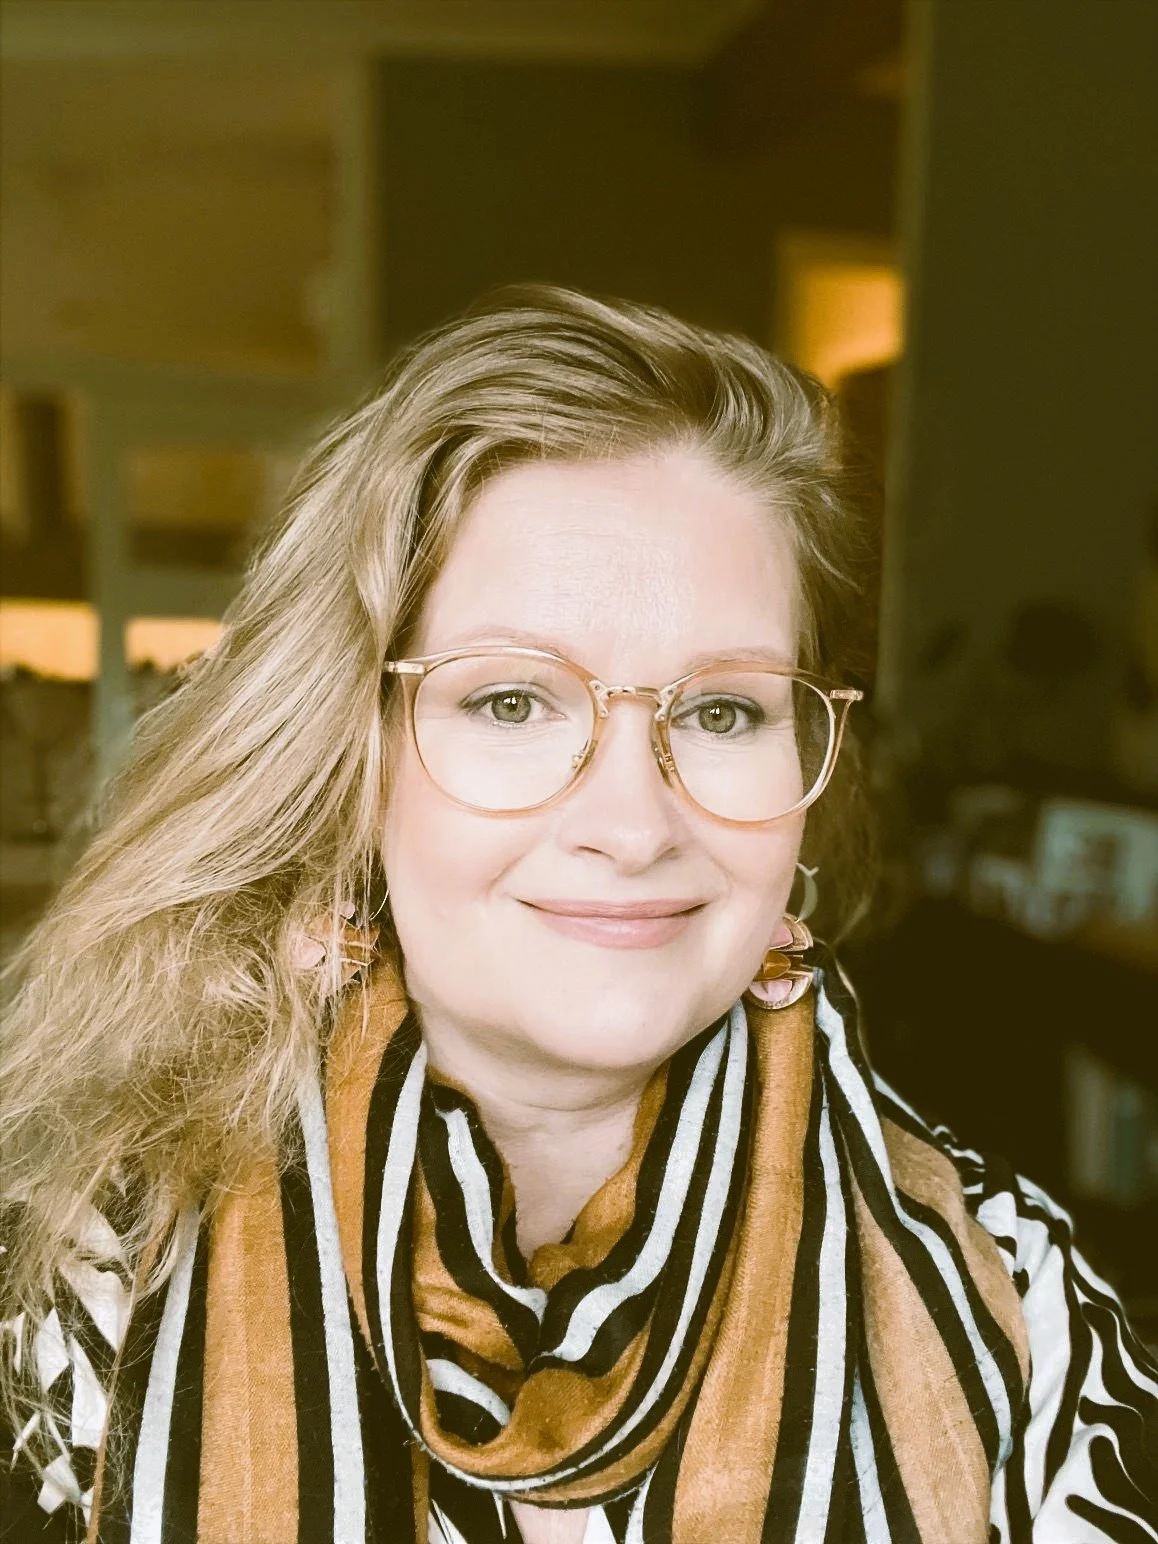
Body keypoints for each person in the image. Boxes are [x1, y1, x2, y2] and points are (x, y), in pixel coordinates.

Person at [1, 288, 1154, 1544]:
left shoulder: (1018, 1305)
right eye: (511, 701)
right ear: (349, 755)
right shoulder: (85, 1290)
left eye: (721, 711)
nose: (636, 820)